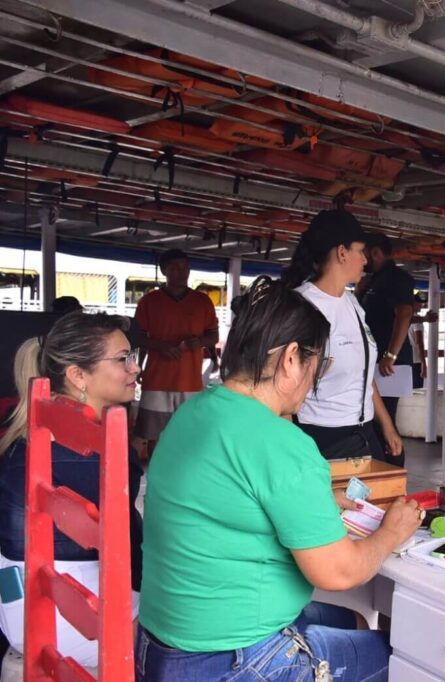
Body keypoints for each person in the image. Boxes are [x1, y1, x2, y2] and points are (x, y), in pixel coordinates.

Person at [135, 277, 422, 681]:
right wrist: (392, 531)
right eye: (318, 365)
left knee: (356, 622)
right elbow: (338, 573)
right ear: (291, 358)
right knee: (406, 657)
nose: (314, 380)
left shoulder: (195, 411)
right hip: (229, 659)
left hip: (161, 648)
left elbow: (231, 494)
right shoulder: (280, 441)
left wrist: (312, 500)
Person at [0, 312, 144, 668]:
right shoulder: (97, 446)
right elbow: (131, 551)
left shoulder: (37, 430)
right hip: (70, 619)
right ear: (78, 376)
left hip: (20, 605)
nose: (135, 368)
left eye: (133, 355)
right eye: (123, 359)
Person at [282, 210, 405, 467]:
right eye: (360, 251)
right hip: (322, 438)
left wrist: (386, 425)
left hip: (363, 433)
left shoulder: (352, 304)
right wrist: (295, 453)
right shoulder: (302, 306)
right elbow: (283, 390)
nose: (364, 260)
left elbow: (363, 375)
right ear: (341, 253)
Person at [134, 249, 218, 451]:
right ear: (164, 271)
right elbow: (138, 337)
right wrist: (158, 348)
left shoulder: (203, 302)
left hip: (190, 381)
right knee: (155, 438)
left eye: (186, 268)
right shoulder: (149, 301)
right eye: (176, 268)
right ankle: (156, 476)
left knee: (188, 436)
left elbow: (213, 337)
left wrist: (198, 342)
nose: (182, 272)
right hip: (156, 380)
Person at [357, 232, 416, 441]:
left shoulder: (396, 279)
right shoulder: (372, 281)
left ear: (375, 252)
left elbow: (405, 313)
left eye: (363, 253)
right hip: (373, 359)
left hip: (388, 363)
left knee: (385, 421)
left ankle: (393, 469)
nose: (362, 260)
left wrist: (390, 355)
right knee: (371, 418)